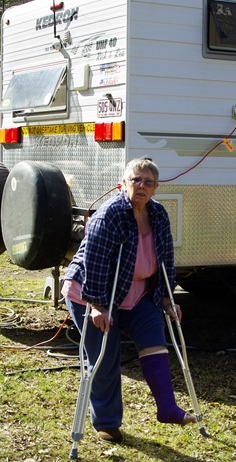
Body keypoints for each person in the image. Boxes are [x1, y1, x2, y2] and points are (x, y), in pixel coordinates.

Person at [61, 157, 196, 443]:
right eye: (136, 180)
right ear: (123, 183)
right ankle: (107, 423)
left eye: (148, 182)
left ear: (156, 188)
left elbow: (166, 257)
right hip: (93, 292)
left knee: (154, 340)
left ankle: (167, 409)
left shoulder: (158, 214)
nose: (141, 186)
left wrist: (166, 296)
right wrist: (96, 305)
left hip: (138, 292)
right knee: (104, 359)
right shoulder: (111, 214)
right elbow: (94, 262)